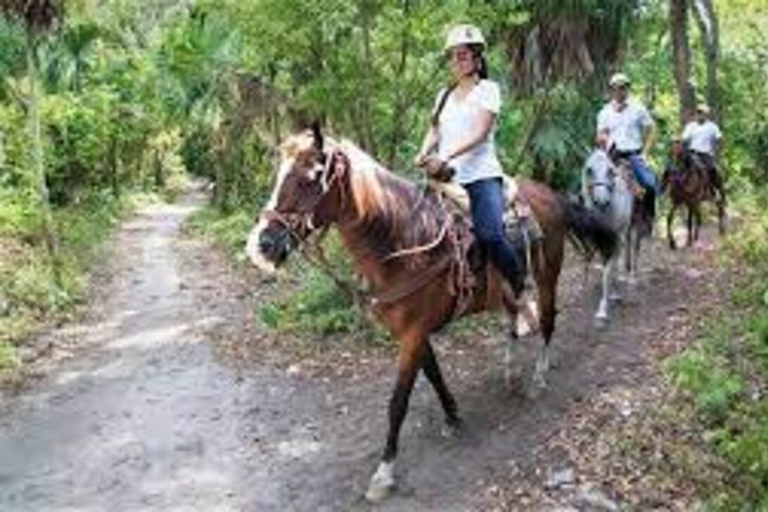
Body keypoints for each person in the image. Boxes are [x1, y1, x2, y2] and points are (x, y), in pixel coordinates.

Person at [414, 23, 526, 298]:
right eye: (453, 55)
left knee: (490, 235)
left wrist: (446, 155)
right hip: (444, 175)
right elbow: (434, 129)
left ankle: (521, 285)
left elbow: (480, 133)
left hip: (480, 175)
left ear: (477, 58)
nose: (456, 60)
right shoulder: (444, 95)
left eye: (462, 54)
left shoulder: (488, 90)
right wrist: (422, 152)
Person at [596, 73, 659, 216]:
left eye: (623, 87)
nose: (619, 91)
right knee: (591, 182)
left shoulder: (638, 108)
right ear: (611, 90)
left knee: (649, 183)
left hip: (633, 155)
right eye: (616, 88)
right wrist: (602, 138)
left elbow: (651, 129)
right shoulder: (604, 112)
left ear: (628, 88)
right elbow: (600, 134)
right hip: (611, 156)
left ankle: (647, 219)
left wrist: (645, 153)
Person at [681, 103, 725, 201]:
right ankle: (672, 190)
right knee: (677, 168)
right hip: (692, 153)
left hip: (706, 154)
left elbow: (719, 139)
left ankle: (715, 191)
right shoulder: (690, 126)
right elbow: (684, 138)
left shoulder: (712, 126)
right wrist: (682, 143)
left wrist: (715, 149)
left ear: (706, 115)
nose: (699, 115)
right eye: (698, 112)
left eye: (702, 113)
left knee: (714, 170)